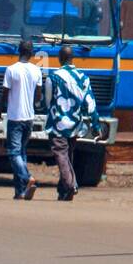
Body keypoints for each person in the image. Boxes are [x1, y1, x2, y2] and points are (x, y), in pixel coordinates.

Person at [45, 45, 99, 202]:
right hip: (76, 125)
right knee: (68, 155)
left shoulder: (53, 77)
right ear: (72, 58)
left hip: (58, 124)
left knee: (61, 154)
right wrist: (96, 125)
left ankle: (70, 185)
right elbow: (90, 104)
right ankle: (63, 191)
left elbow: (48, 102)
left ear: (59, 59)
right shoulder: (83, 78)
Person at [0, 39, 43, 200]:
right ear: (32, 53)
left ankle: (27, 177)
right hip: (29, 118)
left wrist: (0, 108)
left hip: (15, 117)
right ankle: (20, 192)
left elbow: (5, 93)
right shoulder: (37, 71)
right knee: (21, 153)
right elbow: (38, 96)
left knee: (13, 152)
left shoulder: (11, 69)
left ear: (19, 51)